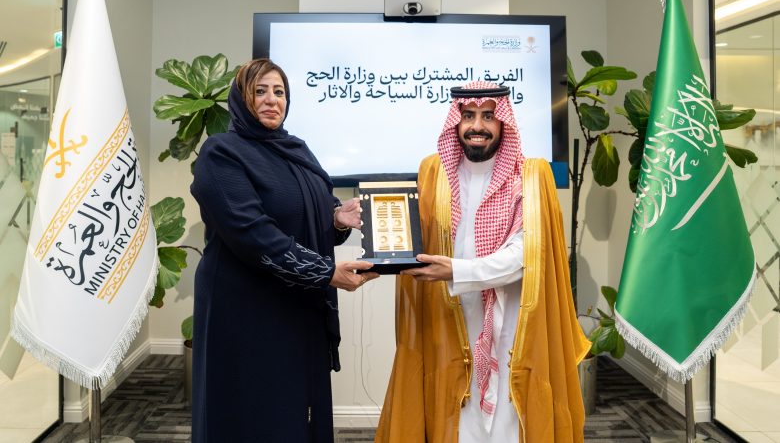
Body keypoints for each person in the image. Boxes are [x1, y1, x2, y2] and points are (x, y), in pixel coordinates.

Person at [375, 81, 590, 442]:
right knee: (457, 415)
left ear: (503, 122)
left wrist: (456, 271)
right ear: (456, 122)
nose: (478, 126)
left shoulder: (531, 176)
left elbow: (525, 254)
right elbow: (415, 236)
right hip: (450, 318)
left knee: (508, 417)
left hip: (511, 320)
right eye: (469, 116)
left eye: (488, 116)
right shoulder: (434, 172)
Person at [189, 58, 378, 443]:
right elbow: (252, 233)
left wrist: (337, 218)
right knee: (251, 408)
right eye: (259, 91)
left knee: (293, 406)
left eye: (279, 92)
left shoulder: (295, 150)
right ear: (241, 98)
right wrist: (326, 273)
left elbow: (308, 212)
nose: (271, 100)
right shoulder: (221, 153)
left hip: (294, 304)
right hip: (244, 309)